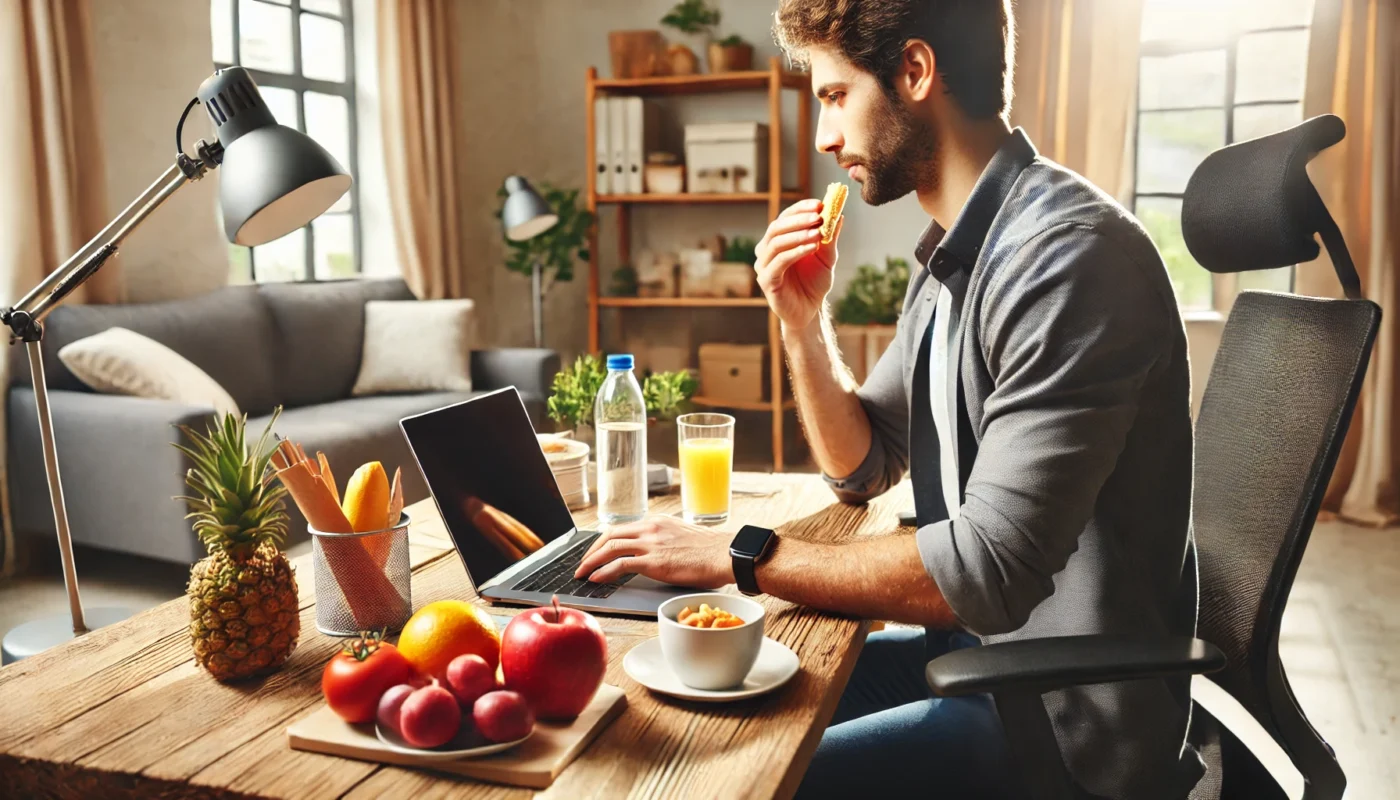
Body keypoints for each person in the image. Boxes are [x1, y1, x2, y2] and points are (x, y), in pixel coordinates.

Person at [574, 1, 1201, 797]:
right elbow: (866, 462)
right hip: (986, 659)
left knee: (721, 785)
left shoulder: (1067, 261)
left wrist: (741, 556)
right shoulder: (953, 251)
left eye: (836, 97)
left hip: (1060, 723)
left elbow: (982, 574)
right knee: (682, 717)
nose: (825, 139)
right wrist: (803, 324)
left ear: (915, 71)